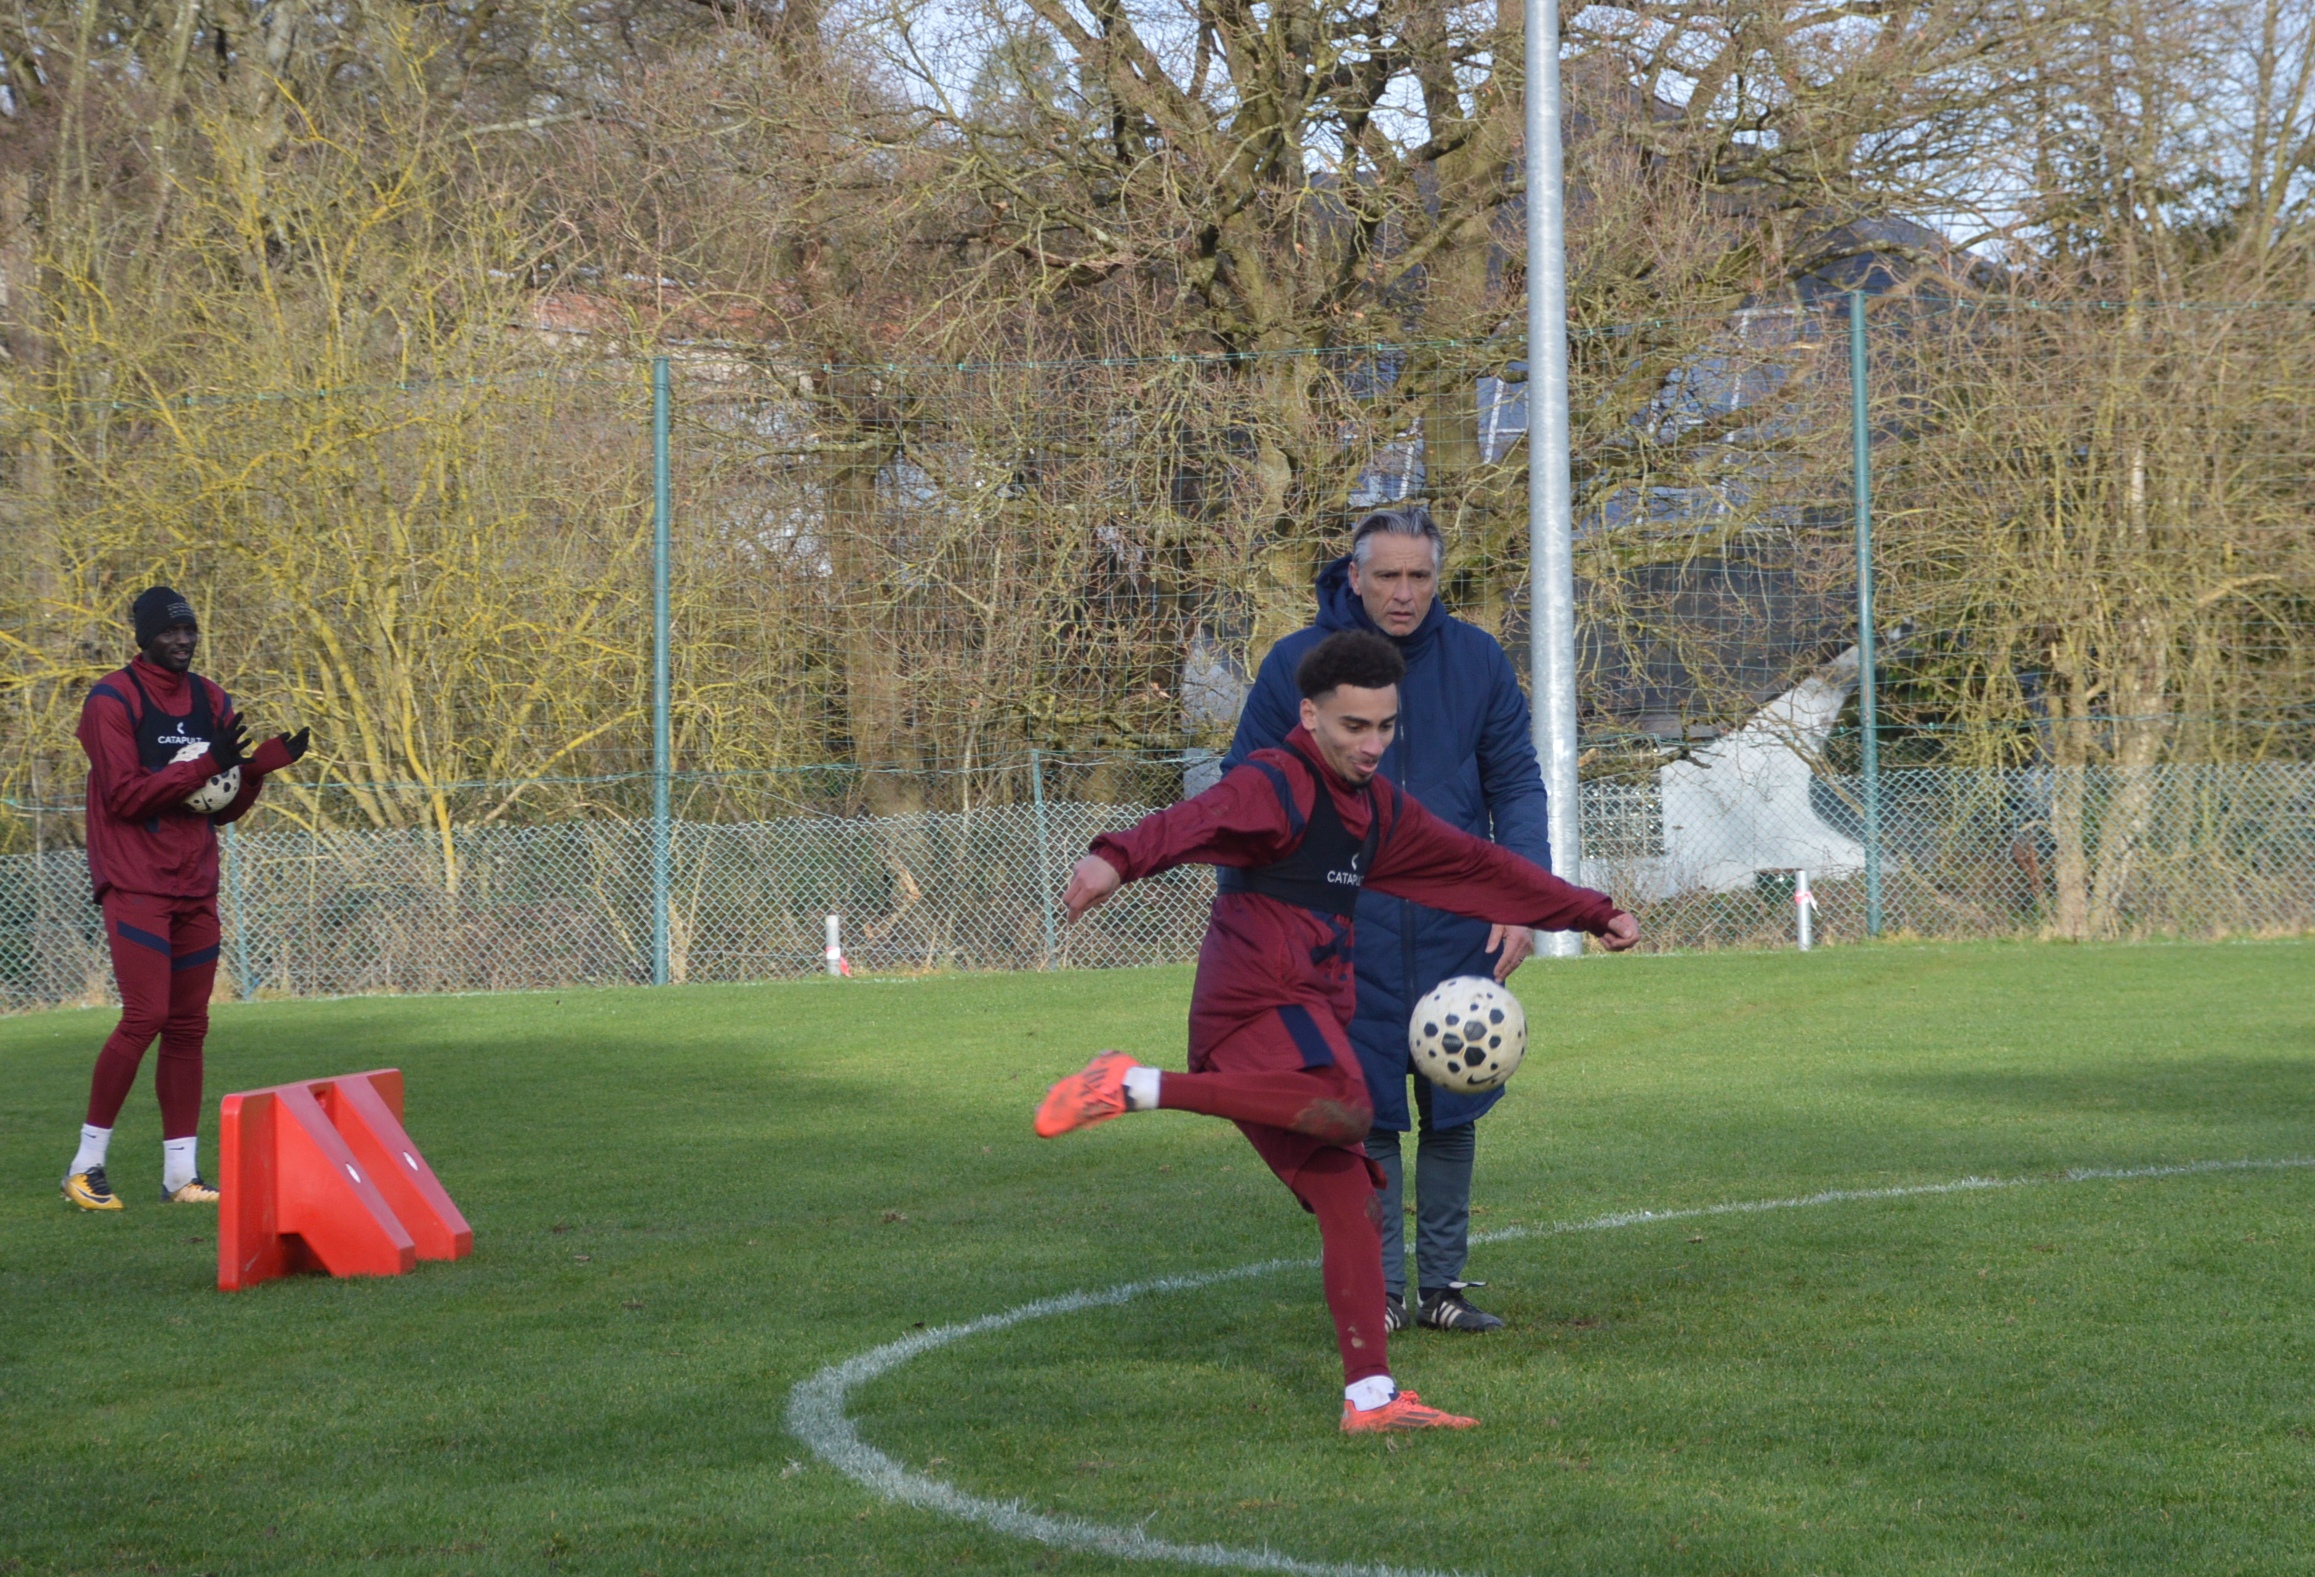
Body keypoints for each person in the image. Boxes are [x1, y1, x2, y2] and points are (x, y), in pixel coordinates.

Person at [1036, 630, 1637, 1432]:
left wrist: (1588, 910)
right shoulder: (1274, 781)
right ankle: (1129, 1083)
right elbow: (1195, 819)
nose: (1372, 743)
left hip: (1304, 1020)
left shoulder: (1374, 809)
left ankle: (1370, 1399)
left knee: (1350, 1196)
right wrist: (1114, 858)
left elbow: (1473, 865)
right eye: (1354, 726)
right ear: (1310, 714)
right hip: (1252, 1009)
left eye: (1385, 726)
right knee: (1350, 1102)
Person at [1224, 504, 1551, 1334]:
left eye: (1419, 576)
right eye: (1387, 576)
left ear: (1436, 578)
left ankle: (1442, 1288)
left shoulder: (1476, 661)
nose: (1403, 593)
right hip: (1340, 937)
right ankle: (1384, 1292)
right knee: (1360, 1113)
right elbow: (1247, 795)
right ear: (1354, 574)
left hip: (1456, 928)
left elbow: (1515, 784)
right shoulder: (1295, 665)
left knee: (1455, 1101)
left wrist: (1521, 893)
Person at [60, 587, 311, 1210]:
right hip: (137, 882)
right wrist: (204, 767)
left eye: (190, 629)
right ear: (143, 637)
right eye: (170, 632)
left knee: (189, 1026)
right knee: (145, 1015)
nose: (183, 640)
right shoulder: (111, 700)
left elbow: (219, 810)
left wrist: (253, 773)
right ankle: (85, 1165)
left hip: (195, 883)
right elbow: (124, 796)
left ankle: (181, 1176)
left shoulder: (211, 699)